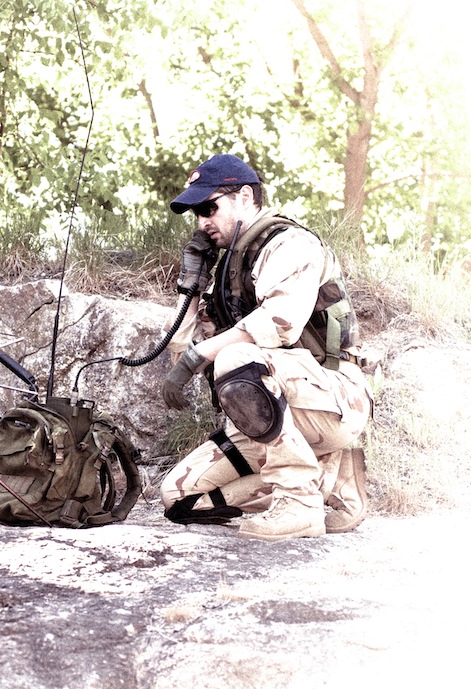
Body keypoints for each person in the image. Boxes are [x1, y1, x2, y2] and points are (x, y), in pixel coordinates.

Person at [158, 153, 372, 542]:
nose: (202, 222)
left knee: (234, 357)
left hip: (336, 398)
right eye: (196, 215)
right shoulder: (226, 271)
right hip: (273, 413)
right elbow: (184, 348)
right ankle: (326, 481)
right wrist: (192, 284)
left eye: (208, 208)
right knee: (179, 497)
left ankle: (299, 503)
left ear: (244, 197)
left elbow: (280, 324)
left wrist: (198, 357)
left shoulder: (290, 244)